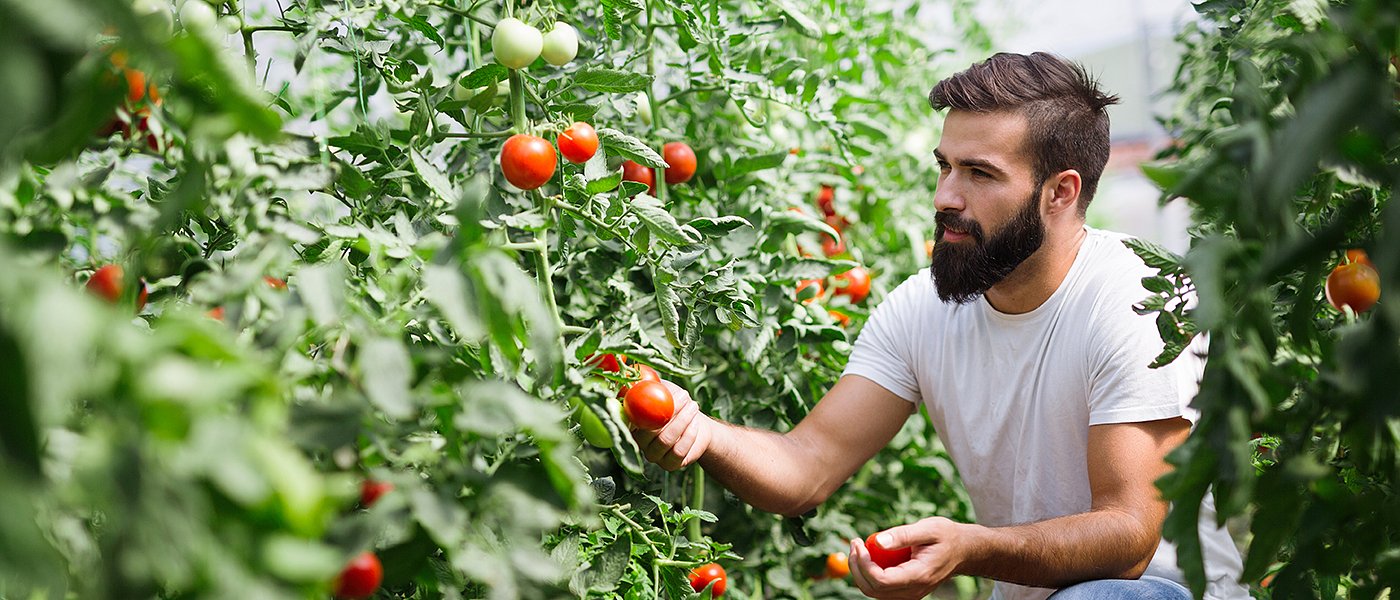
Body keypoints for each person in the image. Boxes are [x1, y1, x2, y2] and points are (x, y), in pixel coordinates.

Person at [630, 52, 1248, 600]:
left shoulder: (1142, 299)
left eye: (979, 174)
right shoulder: (921, 308)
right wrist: (702, 432)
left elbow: (1130, 537)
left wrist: (971, 547)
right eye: (944, 166)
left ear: (1060, 193)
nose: (944, 196)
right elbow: (806, 465)